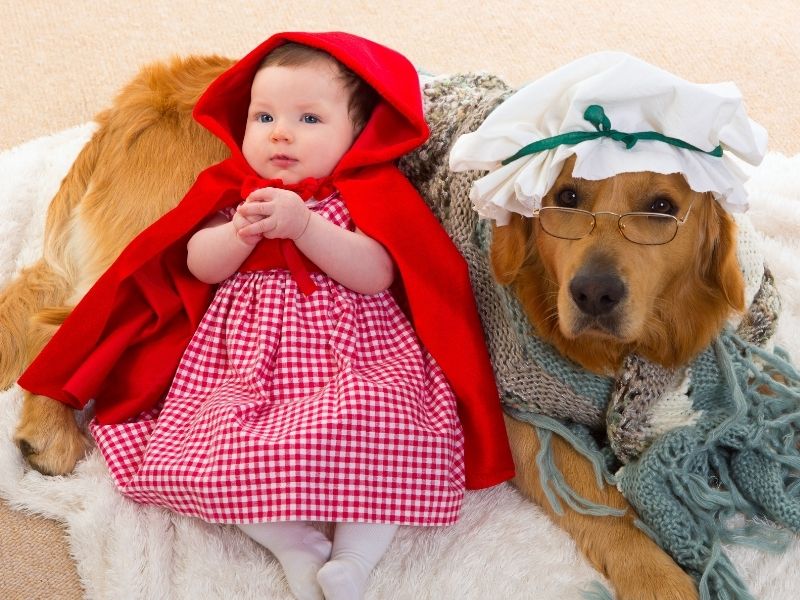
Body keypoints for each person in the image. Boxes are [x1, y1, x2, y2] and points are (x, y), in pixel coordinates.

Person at [19, 32, 514, 600]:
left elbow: (379, 271)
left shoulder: (366, 195)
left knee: (401, 427)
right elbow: (196, 265)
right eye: (264, 117)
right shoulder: (233, 194)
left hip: (353, 365)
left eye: (308, 118)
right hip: (249, 371)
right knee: (211, 449)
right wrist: (235, 233)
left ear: (357, 134)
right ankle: (292, 545)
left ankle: (354, 557)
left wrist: (307, 226)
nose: (281, 132)